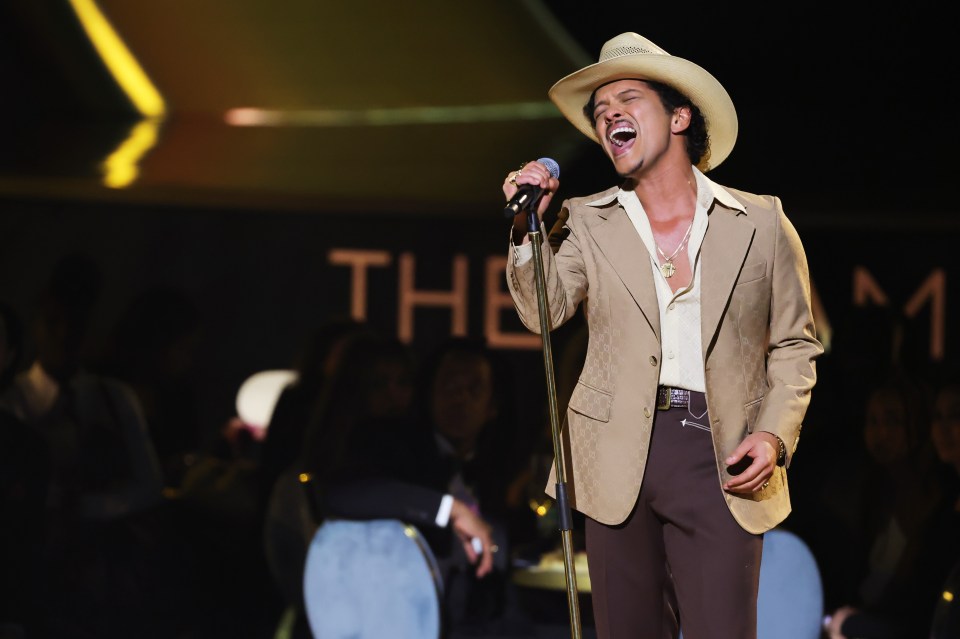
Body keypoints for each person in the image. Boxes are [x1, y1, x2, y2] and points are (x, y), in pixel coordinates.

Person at [502, 32, 823, 638]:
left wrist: (774, 436)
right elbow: (542, 314)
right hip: (616, 448)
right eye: (600, 112)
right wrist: (528, 232)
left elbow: (795, 344)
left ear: (679, 116)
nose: (609, 115)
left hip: (718, 450)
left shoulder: (759, 221)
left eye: (627, 99)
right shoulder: (588, 222)